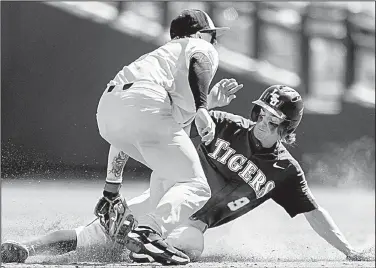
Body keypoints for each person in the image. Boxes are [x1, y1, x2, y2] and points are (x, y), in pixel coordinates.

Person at [2, 85, 373, 265]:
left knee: (189, 245)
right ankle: (27, 248)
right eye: (261, 112)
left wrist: (349, 251)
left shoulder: (285, 171)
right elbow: (174, 121)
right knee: (91, 238)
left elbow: (312, 212)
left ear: (288, 127)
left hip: (193, 223)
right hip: (163, 199)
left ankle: (141, 251)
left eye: (273, 119)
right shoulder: (226, 125)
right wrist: (206, 105)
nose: (263, 120)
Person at [94, 8, 231, 265]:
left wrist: (111, 188)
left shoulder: (160, 61)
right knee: (196, 185)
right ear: (200, 34)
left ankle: (128, 221)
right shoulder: (199, 46)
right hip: (145, 101)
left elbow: (135, 121)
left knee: (173, 174)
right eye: (212, 35)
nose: (215, 41)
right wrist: (203, 107)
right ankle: (149, 232)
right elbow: (200, 59)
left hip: (107, 109)